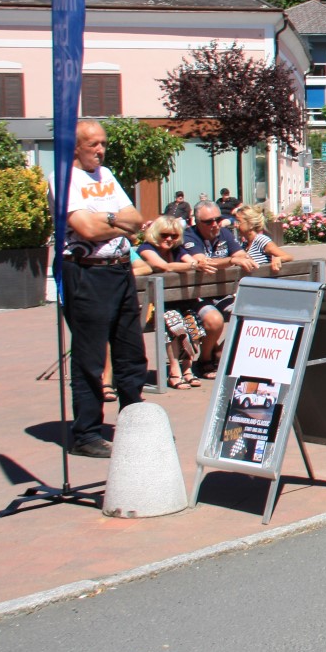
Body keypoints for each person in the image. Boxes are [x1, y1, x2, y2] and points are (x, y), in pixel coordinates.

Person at [60, 120, 150, 458]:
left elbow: (136, 219)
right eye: (93, 144)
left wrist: (107, 219)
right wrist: (115, 221)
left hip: (119, 271)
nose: (99, 150)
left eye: (103, 144)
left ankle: (133, 421)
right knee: (90, 358)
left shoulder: (106, 175)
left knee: (131, 352)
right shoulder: (66, 179)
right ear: (76, 147)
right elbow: (84, 228)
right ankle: (87, 432)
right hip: (86, 274)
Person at [181, 199, 258, 374]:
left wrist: (239, 258)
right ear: (197, 222)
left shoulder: (224, 233)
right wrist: (231, 260)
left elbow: (241, 254)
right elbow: (203, 261)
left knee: (251, 315)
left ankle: (220, 352)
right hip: (197, 295)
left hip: (222, 294)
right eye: (208, 222)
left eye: (217, 219)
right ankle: (205, 358)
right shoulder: (189, 236)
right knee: (214, 321)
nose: (215, 225)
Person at [133, 216, 203, 389]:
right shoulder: (146, 249)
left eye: (173, 235)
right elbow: (165, 266)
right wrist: (194, 266)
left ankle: (187, 369)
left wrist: (196, 263)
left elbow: (192, 261)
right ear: (156, 233)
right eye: (165, 235)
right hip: (153, 307)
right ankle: (174, 371)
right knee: (173, 321)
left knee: (192, 321)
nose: (169, 239)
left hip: (180, 301)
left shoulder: (178, 250)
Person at [231, 205, 290, 274]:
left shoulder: (260, 240)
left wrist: (278, 259)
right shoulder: (244, 244)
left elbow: (288, 256)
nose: (236, 225)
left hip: (261, 281)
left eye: (238, 222)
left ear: (251, 225)